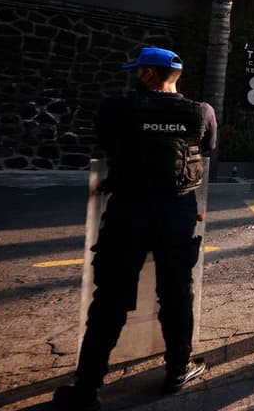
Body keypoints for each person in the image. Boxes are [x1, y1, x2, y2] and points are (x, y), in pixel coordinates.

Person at [55, 47, 217, 410]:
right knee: (176, 293)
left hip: (128, 209)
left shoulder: (118, 108)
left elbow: (106, 143)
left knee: (110, 298)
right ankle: (178, 369)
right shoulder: (201, 112)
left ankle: (88, 387)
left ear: (147, 74)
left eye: (137, 71)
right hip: (177, 211)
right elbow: (207, 147)